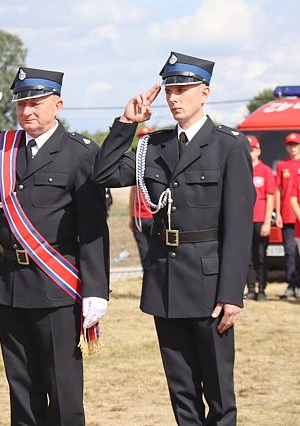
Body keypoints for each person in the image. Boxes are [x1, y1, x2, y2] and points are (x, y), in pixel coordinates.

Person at [0, 67, 110, 425]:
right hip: (11, 284)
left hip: (57, 287)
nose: (28, 111)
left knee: (62, 391)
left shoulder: (79, 153)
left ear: (58, 105)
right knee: (22, 390)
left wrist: (96, 289)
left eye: (36, 103)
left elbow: (94, 226)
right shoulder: (3, 147)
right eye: (22, 104)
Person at [92, 52, 253, 425]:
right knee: (181, 393)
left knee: (218, 393)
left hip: (210, 284)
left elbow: (239, 225)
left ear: (205, 93)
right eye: (170, 90)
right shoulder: (155, 146)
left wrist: (232, 293)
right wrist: (125, 124)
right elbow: (103, 174)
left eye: (183, 89)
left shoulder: (229, 145)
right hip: (166, 279)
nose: (174, 98)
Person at [245, 135, 275, 301]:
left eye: (252, 150)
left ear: (258, 151)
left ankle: (262, 288)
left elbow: (271, 196)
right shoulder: (242, 168)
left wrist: (266, 223)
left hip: (260, 219)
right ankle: (250, 289)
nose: (250, 153)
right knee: (246, 257)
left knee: (260, 256)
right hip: (244, 221)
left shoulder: (266, 171)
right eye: (248, 149)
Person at [276, 132, 300, 299]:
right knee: (290, 251)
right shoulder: (281, 165)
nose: (293, 148)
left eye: (296, 145)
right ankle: (291, 284)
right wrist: (277, 212)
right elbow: (278, 190)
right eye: (290, 145)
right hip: (287, 214)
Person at [129, 126, 155, 267]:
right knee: (144, 255)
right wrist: (131, 215)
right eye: (140, 137)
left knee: (155, 254)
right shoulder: (136, 163)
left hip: (153, 217)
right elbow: (133, 191)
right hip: (138, 217)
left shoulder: (155, 161)